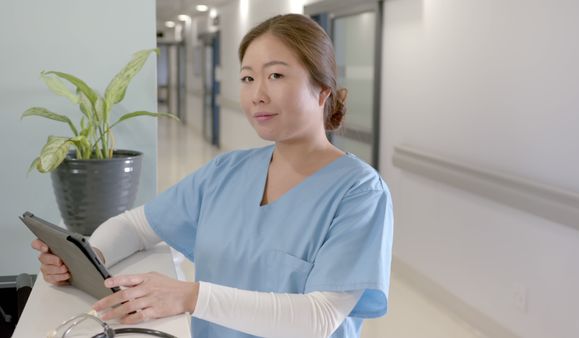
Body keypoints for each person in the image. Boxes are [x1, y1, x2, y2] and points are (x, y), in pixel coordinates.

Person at [32, 13, 393, 338]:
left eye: (276, 75)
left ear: (322, 91)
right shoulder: (227, 172)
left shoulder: (359, 192)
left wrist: (190, 296)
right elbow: (137, 227)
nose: (257, 94)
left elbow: (318, 319)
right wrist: (89, 257)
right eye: (248, 78)